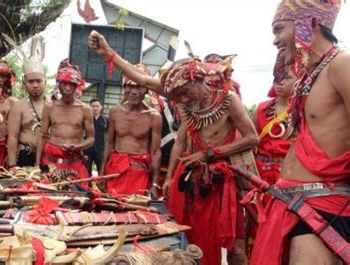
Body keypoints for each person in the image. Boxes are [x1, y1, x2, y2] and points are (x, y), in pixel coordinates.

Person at [89, 32, 258, 265]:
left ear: (197, 80)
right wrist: (109, 54)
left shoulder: (228, 101)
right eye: (178, 97)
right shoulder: (181, 93)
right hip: (189, 177)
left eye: (186, 94)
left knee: (230, 245)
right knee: (179, 233)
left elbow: (252, 138)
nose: (183, 101)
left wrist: (208, 154)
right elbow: (145, 80)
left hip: (220, 180)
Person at [250, 1, 350, 264]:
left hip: (324, 208)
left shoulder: (342, 65)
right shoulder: (308, 78)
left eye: (279, 29)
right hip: (289, 203)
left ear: (312, 24)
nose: (275, 41)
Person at [100, 64, 162, 197]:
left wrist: (155, 184)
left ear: (146, 89)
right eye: (130, 86)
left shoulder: (154, 116)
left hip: (140, 174)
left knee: (137, 213)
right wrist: (101, 173)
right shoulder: (115, 111)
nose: (134, 92)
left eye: (139, 87)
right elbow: (109, 144)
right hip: (115, 171)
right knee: (111, 210)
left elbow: (155, 152)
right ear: (124, 88)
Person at [36, 59, 94, 184]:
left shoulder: (85, 109)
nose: (67, 88)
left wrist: (78, 146)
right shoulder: (50, 107)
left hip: (74, 163)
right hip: (50, 163)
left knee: (75, 199)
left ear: (76, 86)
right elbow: (42, 136)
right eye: (64, 84)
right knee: (47, 197)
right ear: (59, 84)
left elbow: (91, 138)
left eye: (71, 84)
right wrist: (37, 164)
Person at [253, 56, 298, 188]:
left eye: (287, 78)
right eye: (277, 78)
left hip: (290, 171)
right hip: (261, 172)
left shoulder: (304, 109)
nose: (280, 82)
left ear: (299, 80)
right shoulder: (261, 108)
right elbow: (251, 140)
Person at [7, 43, 48, 170]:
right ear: (24, 83)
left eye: (38, 81)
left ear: (45, 81)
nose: (35, 85)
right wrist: (12, 164)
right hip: (24, 156)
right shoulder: (18, 106)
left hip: (46, 157)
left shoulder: (53, 106)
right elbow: (13, 137)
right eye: (31, 81)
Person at [84, 98, 108, 176]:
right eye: (93, 106)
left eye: (97, 106)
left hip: (101, 149)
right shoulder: (86, 119)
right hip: (87, 149)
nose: (95, 108)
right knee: (86, 171)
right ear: (90, 107)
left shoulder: (105, 120)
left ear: (101, 107)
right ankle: (87, 187)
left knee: (102, 170)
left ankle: (102, 187)